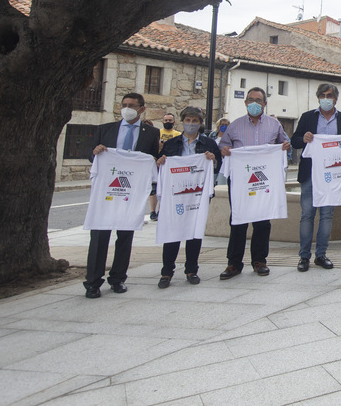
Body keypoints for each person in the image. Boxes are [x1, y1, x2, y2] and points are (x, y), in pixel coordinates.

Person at [84, 93, 161, 298]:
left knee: (125, 236)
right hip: (107, 192)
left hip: (131, 193)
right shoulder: (105, 129)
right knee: (99, 236)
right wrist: (95, 152)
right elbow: (91, 155)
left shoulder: (151, 133)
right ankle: (92, 282)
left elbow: (152, 159)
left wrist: (156, 162)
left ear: (142, 109)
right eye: (125, 105)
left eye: (132, 105)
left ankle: (118, 279)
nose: (127, 108)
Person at [218, 87, 290, 280]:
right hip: (241, 180)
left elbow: (285, 144)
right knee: (238, 220)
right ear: (245, 103)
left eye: (258, 100)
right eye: (250, 100)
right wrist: (224, 149)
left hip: (265, 179)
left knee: (262, 221)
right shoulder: (235, 126)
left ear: (265, 104)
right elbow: (223, 144)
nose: (254, 103)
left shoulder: (275, 125)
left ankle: (259, 261)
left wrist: (285, 147)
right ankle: (234, 263)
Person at [155, 106, 221, 288]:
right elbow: (160, 165)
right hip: (174, 195)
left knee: (194, 232)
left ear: (200, 123)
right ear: (182, 121)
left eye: (195, 121)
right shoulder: (171, 144)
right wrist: (160, 162)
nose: (191, 124)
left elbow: (218, 165)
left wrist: (212, 159)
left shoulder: (209, 144)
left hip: (197, 196)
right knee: (172, 232)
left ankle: (192, 270)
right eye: (188, 120)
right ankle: (166, 272)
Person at [291, 83, 341, 272]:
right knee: (307, 215)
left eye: (330, 95)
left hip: (333, 175)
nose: (326, 98)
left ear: (336, 98)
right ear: (318, 98)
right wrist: (304, 139)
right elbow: (294, 140)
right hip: (310, 173)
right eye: (323, 95)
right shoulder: (307, 117)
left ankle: (321, 255)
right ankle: (303, 257)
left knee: (327, 215)